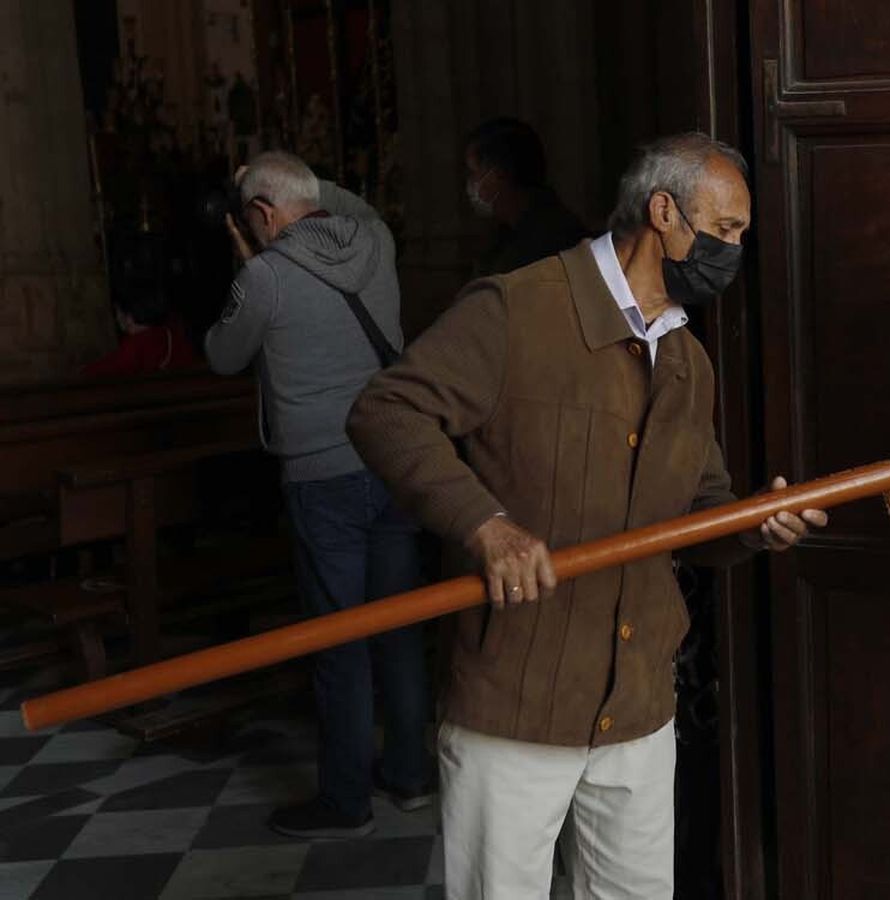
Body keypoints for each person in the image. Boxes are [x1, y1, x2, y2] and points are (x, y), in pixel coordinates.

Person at [348, 132, 826, 898]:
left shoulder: (686, 360)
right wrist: (485, 524)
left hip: (637, 704)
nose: (735, 250)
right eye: (728, 229)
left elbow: (702, 511)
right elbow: (386, 410)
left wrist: (754, 524)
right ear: (664, 212)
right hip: (516, 705)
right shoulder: (516, 308)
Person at [205, 151, 431, 839]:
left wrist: (248, 261)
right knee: (399, 625)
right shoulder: (377, 241)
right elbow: (347, 203)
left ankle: (345, 798)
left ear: (262, 215)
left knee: (338, 638)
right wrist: (294, 184)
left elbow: (220, 354)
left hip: (322, 476)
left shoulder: (266, 277)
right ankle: (412, 775)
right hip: (392, 460)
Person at [464, 117, 589, 274]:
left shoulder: (548, 240)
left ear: (499, 173)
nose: (471, 183)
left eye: (474, 172)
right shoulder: (505, 236)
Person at [81, 280, 199, 377]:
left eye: (117, 311)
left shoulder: (136, 346)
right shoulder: (174, 335)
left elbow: (95, 373)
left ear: (128, 316)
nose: (116, 318)